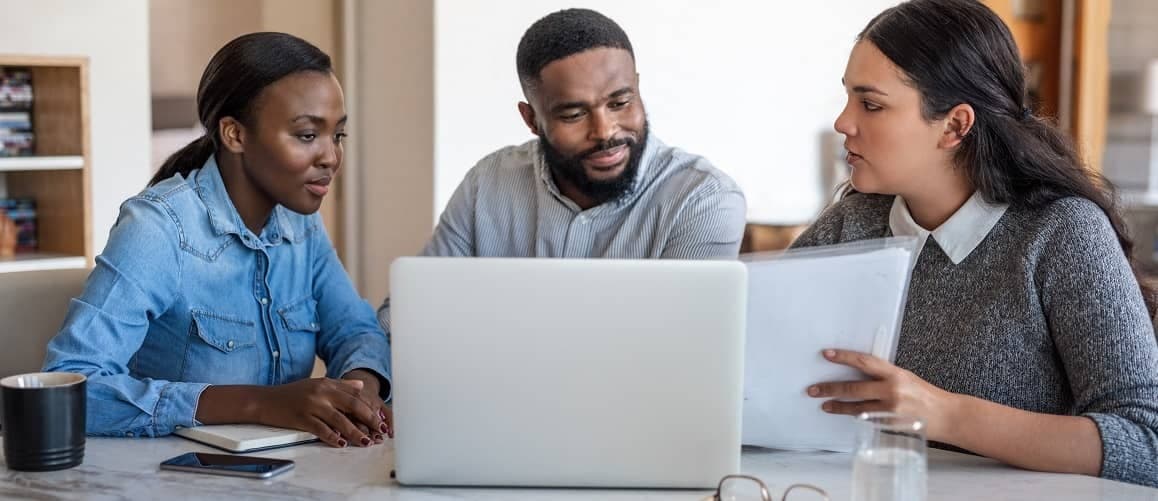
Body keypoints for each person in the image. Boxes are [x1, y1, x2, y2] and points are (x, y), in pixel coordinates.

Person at [793, 0, 1158, 486]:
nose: (843, 122)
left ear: (955, 126)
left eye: (871, 104)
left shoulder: (1063, 233)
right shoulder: (849, 226)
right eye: (847, 99)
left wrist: (945, 415)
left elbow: (1145, 443)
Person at [43, 32, 392, 449]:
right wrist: (258, 404)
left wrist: (359, 393)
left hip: (287, 476)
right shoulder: (157, 228)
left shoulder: (302, 229)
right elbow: (69, 389)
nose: (331, 157)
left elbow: (356, 331)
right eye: (305, 135)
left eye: (337, 136)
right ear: (234, 134)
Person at [378, 8, 747, 326]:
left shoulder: (704, 199)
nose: (605, 132)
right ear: (531, 119)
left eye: (620, 102)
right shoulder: (487, 186)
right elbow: (411, 315)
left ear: (637, 88)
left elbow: (681, 347)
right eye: (573, 114)